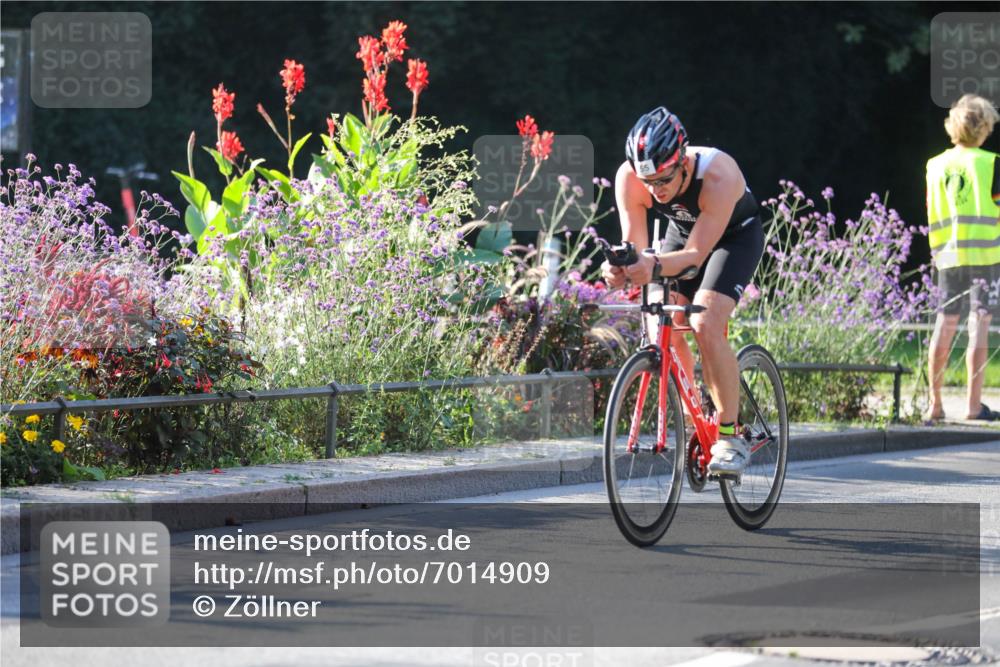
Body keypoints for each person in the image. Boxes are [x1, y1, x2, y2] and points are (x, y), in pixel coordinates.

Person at [601, 106, 764, 477]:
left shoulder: (718, 174)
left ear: (684, 164)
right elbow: (637, 246)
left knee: (705, 319)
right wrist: (622, 267)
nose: (654, 191)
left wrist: (652, 266)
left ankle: (729, 434)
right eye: (648, 183)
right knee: (659, 319)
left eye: (663, 181)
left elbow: (694, 256)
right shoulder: (631, 177)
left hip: (732, 238)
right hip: (685, 231)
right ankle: (694, 413)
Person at [925, 94, 1000, 422]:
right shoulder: (992, 163)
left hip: (948, 253)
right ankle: (973, 405)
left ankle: (934, 404)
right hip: (986, 252)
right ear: (984, 127)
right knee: (978, 325)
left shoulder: (935, 165)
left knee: (945, 324)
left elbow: (932, 210)